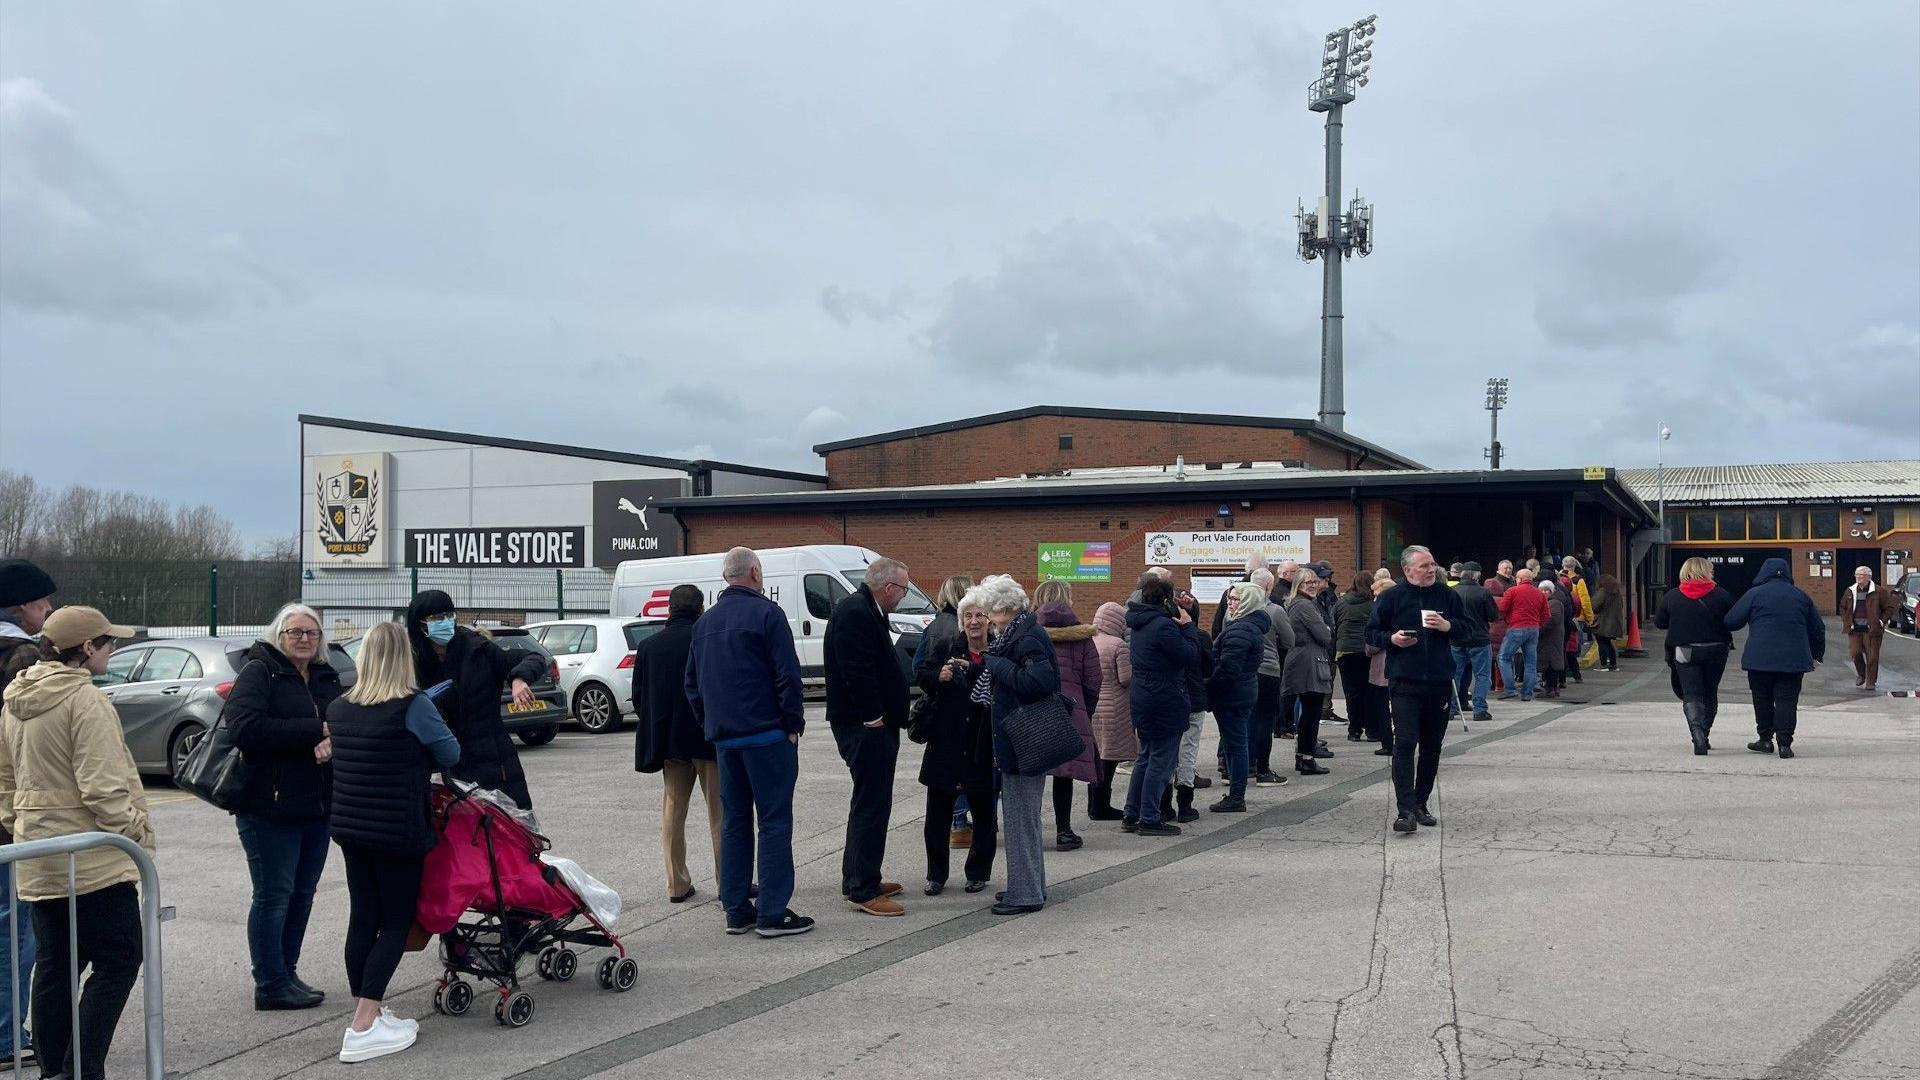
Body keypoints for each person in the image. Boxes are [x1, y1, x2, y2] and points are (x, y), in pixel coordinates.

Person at [0, 606, 150, 1080]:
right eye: (108, 642)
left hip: (40, 856)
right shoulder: (85, 701)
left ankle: (54, 1071)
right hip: (95, 859)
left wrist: (25, 825)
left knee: (56, 966)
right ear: (87, 648)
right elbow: (103, 789)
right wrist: (137, 835)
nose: (113, 649)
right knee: (120, 958)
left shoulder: (15, 699)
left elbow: (5, 783)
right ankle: (80, 1069)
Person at [324, 621, 459, 1063]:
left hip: (351, 827)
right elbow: (450, 753)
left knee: (363, 916)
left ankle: (364, 1009)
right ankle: (364, 1024)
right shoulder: (413, 704)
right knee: (397, 921)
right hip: (398, 828)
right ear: (404, 658)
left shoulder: (339, 707)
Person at [685, 547, 813, 937]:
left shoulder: (704, 624)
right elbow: (787, 676)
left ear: (727, 577)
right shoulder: (768, 615)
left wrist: (712, 725)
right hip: (767, 735)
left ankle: (736, 909)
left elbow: (693, 685)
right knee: (773, 822)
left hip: (726, 740)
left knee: (734, 823)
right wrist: (792, 725)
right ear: (755, 572)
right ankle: (772, 912)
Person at [226, 603, 344, 1011]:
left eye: (312, 633)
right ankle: (270, 982)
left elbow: (343, 719)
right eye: (295, 632)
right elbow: (244, 728)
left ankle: (287, 972)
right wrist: (316, 731)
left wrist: (333, 738)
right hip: (268, 807)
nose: (304, 639)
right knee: (274, 895)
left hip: (318, 805)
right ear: (278, 635)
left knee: (302, 894)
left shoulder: (326, 675)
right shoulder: (259, 671)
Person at [824, 558, 913, 917]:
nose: (904, 597)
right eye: (905, 589)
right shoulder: (856, 612)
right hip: (864, 728)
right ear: (889, 587)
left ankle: (860, 877)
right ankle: (863, 889)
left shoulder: (866, 609)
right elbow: (855, 669)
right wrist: (873, 716)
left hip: (870, 724)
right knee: (872, 805)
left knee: (867, 802)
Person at [403, 590, 544, 809]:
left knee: (508, 832)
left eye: (449, 616)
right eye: (436, 618)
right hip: (441, 770)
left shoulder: (477, 649)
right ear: (420, 625)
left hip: (496, 765)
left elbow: (532, 657)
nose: (445, 623)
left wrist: (519, 678)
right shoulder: (411, 664)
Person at [972, 576, 1061, 915]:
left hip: (1024, 740)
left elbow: (1040, 682)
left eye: (990, 613)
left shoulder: (1024, 638)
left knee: (1020, 820)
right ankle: (1030, 885)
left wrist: (996, 664)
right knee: (1025, 819)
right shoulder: (1023, 632)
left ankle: (1025, 893)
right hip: (1023, 740)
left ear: (1005, 610)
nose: (987, 619)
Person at [1365, 546, 1464, 835]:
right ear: (1408, 570)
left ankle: (1421, 803)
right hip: (1404, 682)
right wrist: (1391, 639)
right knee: (1405, 743)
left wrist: (1448, 626)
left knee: (1432, 746)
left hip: (1439, 683)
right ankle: (1405, 810)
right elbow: (1371, 633)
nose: (1431, 569)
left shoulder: (1447, 595)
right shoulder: (1391, 598)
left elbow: (1471, 630)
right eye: (1424, 566)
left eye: (1432, 564)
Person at [632, 584, 720, 904]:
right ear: (700, 609)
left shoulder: (649, 647)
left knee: (672, 812)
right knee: (720, 813)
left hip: (670, 743)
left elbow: (640, 699)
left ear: (669, 609)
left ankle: (677, 884)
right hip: (707, 739)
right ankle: (728, 883)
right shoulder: (706, 641)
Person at [0, 558, 54, 1067]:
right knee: (14, 929)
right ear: (21, 607)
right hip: (8, 812)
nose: (48, 611)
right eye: (42, 604)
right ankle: (6, 1037)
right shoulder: (21, 657)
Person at [915, 593, 998, 895]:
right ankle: (936, 874)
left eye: (979, 615)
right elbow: (922, 673)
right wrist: (939, 675)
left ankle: (977, 872)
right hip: (946, 741)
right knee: (937, 814)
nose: (974, 622)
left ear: (989, 620)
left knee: (985, 814)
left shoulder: (998, 651)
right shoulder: (947, 647)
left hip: (982, 743)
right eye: (968, 617)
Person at [1725, 558, 1826, 759]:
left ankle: (1764, 740)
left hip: (1759, 659)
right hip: (1793, 660)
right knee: (1787, 700)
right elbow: (1818, 628)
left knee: (1762, 698)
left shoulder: (1754, 594)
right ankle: (1785, 744)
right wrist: (1817, 655)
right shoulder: (1801, 596)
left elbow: (1731, 621)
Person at [1124, 575, 1199, 837]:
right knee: (1161, 761)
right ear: (1166, 601)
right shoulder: (1163, 627)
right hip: (1164, 697)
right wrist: (1188, 626)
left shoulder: (1139, 624)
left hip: (1144, 696)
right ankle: (1149, 818)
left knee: (1145, 757)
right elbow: (1188, 655)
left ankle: (1132, 813)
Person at [1033, 581, 1101, 850]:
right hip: (1069, 709)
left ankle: (1030, 831)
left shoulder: (1027, 632)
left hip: (1034, 710)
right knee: (1064, 773)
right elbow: (1094, 679)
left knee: (1031, 774)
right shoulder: (1082, 636)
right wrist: (1085, 707)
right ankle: (1064, 831)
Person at [917, 576, 975, 848]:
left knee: (943, 784)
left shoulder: (934, 625)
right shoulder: (966, 628)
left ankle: (957, 824)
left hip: (941, 713)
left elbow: (918, 666)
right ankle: (962, 823)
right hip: (966, 711)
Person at [1654, 558, 1734, 755]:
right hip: (1716, 649)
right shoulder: (1722, 595)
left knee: (1691, 693)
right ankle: (1705, 732)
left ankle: (1696, 732)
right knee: (1710, 692)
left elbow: (1660, 622)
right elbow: (1733, 620)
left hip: (1685, 651)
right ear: (1708, 572)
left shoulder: (1672, 596)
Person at [1205, 583, 1271, 812]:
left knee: (1235, 745)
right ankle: (1235, 793)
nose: (1230, 603)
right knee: (1235, 743)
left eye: (1235, 599)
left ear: (1248, 602)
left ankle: (1236, 796)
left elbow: (1228, 669)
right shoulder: (1244, 626)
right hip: (1242, 691)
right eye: (1229, 598)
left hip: (1233, 694)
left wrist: (1208, 689)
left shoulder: (1241, 629)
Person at [1282, 568, 1334, 776]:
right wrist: (1326, 629)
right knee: (1311, 714)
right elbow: (1324, 635)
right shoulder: (1304, 605)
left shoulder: (1298, 603)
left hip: (1304, 661)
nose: (1312, 585)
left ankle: (1304, 757)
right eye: (1307, 582)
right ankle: (1306, 758)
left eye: (1314, 581)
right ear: (1298, 585)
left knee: (1308, 713)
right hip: (1308, 664)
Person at [1170, 588, 1214, 823]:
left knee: (1167, 753)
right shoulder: (1201, 637)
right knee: (1187, 752)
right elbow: (1208, 668)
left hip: (1170, 699)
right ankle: (1185, 805)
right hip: (1194, 699)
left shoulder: (1163, 636)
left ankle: (1163, 804)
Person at [1088, 602, 1135, 821]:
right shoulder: (1119, 645)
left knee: (1097, 756)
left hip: (1094, 707)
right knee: (1109, 760)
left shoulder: (1089, 641)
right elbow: (1125, 679)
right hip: (1115, 707)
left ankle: (1093, 804)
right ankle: (1102, 805)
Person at [1449, 563, 1500, 722]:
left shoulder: (1452, 591)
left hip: (1457, 638)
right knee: (1482, 676)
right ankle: (1480, 709)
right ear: (1477, 575)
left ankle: (1451, 708)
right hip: (1479, 639)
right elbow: (1492, 615)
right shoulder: (1483, 592)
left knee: (1455, 675)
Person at [1842, 566, 1899, 692]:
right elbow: (1843, 607)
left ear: (1868, 577)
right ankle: (1861, 675)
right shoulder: (1850, 591)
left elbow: (1889, 608)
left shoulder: (1879, 591)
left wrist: (1880, 621)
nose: (1858, 577)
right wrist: (1847, 621)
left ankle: (1871, 682)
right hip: (1855, 629)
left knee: (1872, 656)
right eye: (1857, 575)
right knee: (1855, 653)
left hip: (1872, 630)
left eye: (1861, 575)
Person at [1333, 574, 1375, 741]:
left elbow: (1334, 621)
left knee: (1351, 692)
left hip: (1345, 650)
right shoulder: (1373, 603)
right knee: (1369, 691)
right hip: (1367, 650)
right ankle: (1371, 729)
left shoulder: (1341, 602)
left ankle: (1354, 730)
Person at [1496, 569, 1547, 703]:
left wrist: (1508, 619)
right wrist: (1537, 624)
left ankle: (1510, 689)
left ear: (1519, 579)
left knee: (1503, 657)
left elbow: (1502, 608)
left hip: (1516, 628)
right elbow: (1546, 614)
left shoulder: (1512, 591)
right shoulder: (1539, 594)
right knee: (1530, 663)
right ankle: (1527, 694)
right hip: (1534, 629)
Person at [1364, 579, 1395, 755]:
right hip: (1399, 669)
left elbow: (1372, 645)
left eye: (1376, 595)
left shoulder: (1381, 615)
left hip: (1381, 670)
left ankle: (1387, 744)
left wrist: (1368, 647)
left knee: (1383, 709)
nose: (1374, 599)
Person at [1538, 579, 1570, 699]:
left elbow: (1552, 619)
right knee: (1549, 663)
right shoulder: (1552, 602)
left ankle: (1551, 688)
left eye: (1543, 590)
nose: (1541, 593)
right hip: (1551, 637)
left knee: (1551, 664)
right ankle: (1552, 688)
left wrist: (1540, 630)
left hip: (1551, 637)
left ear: (1548, 591)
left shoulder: (1554, 603)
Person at [1590, 574, 1627, 673]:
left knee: (1602, 643)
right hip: (1614, 623)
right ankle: (1613, 665)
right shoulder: (1617, 593)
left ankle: (1604, 665)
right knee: (1608, 643)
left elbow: (1594, 605)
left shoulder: (1603, 591)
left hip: (1603, 622)